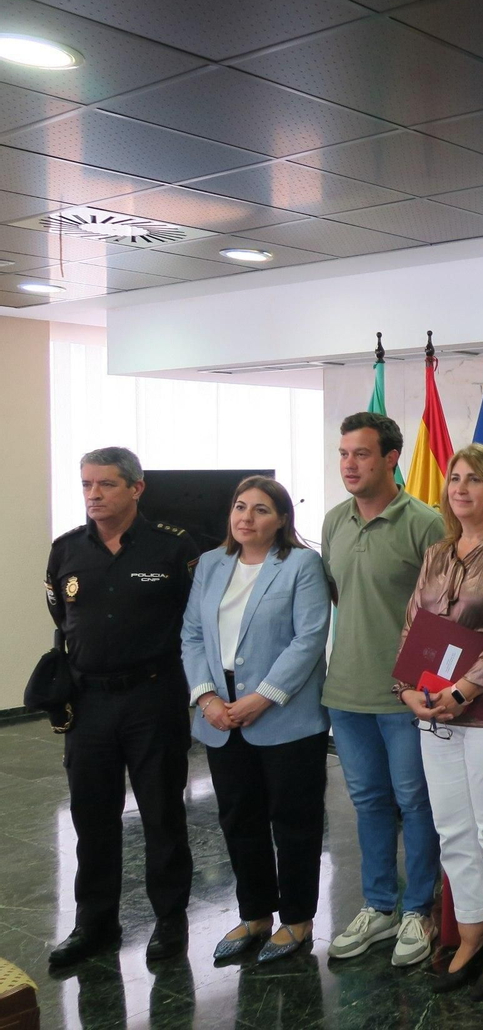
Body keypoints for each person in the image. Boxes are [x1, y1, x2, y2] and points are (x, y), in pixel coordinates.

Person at [45, 447, 201, 967]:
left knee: (161, 813)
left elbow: (195, 619)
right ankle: (95, 923)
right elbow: (61, 614)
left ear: (136, 488)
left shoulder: (174, 548)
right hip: (88, 702)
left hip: (152, 696)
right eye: (86, 484)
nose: (93, 494)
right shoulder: (67, 549)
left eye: (106, 484)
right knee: (92, 816)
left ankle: (170, 920)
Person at [394, 444, 483, 1000]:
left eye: (474, 479)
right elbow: (413, 625)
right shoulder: (438, 552)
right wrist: (408, 690)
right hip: (434, 712)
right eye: (454, 478)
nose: (460, 488)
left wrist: (464, 688)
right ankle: (470, 935)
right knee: (453, 829)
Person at [181, 476, 331, 963]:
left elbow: (309, 639)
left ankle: (297, 920)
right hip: (220, 712)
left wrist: (263, 697)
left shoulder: (301, 564)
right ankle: (255, 915)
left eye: (261, 509)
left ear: (282, 519)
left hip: (285, 715)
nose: (247, 517)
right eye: (240, 507)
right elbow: (192, 635)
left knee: (294, 821)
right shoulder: (211, 563)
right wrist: (206, 697)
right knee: (238, 818)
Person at [322, 411, 445, 967]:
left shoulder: (425, 523)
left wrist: (422, 684)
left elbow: (444, 613)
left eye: (362, 454)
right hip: (345, 693)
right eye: (344, 453)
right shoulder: (334, 521)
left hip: (404, 697)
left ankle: (419, 909)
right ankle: (378, 906)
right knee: (368, 802)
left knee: (415, 803)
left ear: (391, 459)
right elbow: (340, 595)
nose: (349, 464)